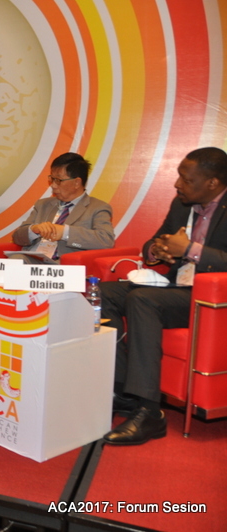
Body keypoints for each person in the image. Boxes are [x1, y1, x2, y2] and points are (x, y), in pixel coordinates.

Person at [102, 147, 227, 445]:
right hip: (175, 288)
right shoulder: (181, 205)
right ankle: (123, 390)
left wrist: (190, 251)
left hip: (209, 299)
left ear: (212, 183)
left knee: (143, 299)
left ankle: (150, 411)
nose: (177, 184)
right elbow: (154, 241)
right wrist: (156, 250)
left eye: (186, 179)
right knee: (104, 294)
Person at [0, 152, 114, 333]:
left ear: (77, 182)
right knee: (6, 263)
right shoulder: (44, 205)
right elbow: (17, 236)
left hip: (60, 268)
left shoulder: (97, 208)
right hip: (32, 260)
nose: (53, 185)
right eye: (51, 179)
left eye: (58, 180)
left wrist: (64, 232)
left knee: (15, 264)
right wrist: (34, 229)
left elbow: (106, 240)